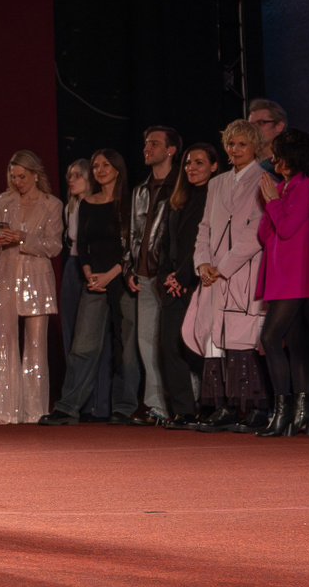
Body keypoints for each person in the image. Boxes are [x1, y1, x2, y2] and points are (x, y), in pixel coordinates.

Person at [185, 119, 271, 432]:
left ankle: (255, 409)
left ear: (256, 147)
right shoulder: (217, 183)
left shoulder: (264, 179)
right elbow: (205, 227)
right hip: (213, 275)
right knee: (215, 338)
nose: (235, 150)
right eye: (231, 144)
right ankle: (223, 406)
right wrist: (202, 263)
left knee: (244, 339)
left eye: (242, 144)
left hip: (243, 270)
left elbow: (257, 231)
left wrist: (223, 266)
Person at [41, 150, 132, 426]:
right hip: (93, 281)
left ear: (117, 169)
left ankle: (123, 408)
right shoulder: (87, 204)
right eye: (96, 166)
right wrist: (90, 274)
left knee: (126, 347)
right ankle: (68, 407)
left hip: (123, 278)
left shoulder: (129, 202)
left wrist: (111, 274)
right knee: (82, 345)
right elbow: (82, 245)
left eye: (106, 165)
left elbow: (133, 244)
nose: (100, 170)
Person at [0, 151, 63, 424]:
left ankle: (35, 411)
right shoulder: (4, 201)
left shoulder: (52, 205)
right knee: (5, 341)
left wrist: (23, 238)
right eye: (14, 177)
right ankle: (5, 410)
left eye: (22, 176)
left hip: (37, 278)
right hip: (6, 275)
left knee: (36, 344)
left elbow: (54, 246)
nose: (18, 182)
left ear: (35, 174)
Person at [254, 128, 309, 437]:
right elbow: (265, 234)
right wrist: (273, 200)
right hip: (279, 271)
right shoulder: (284, 187)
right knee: (294, 342)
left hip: (295, 272)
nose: (274, 161)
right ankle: (300, 411)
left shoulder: (305, 186)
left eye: (279, 155)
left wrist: (272, 201)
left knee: (270, 338)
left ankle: (288, 410)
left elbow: (287, 228)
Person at [159, 143, 219, 426]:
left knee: (199, 346)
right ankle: (183, 410)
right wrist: (166, 276)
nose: (191, 168)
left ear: (214, 166)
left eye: (199, 162)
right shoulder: (177, 199)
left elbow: (204, 243)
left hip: (198, 281)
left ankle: (210, 407)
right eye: (187, 163)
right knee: (169, 346)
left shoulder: (214, 197)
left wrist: (183, 276)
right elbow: (166, 243)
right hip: (172, 284)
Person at [126, 127, 182, 424]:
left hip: (169, 275)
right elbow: (133, 233)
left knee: (174, 343)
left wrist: (178, 269)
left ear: (171, 150)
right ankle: (156, 405)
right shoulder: (141, 189)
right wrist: (130, 267)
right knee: (146, 343)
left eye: (154, 143)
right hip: (144, 276)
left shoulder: (181, 184)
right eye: (146, 143)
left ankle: (185, 403)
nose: (147, 148)